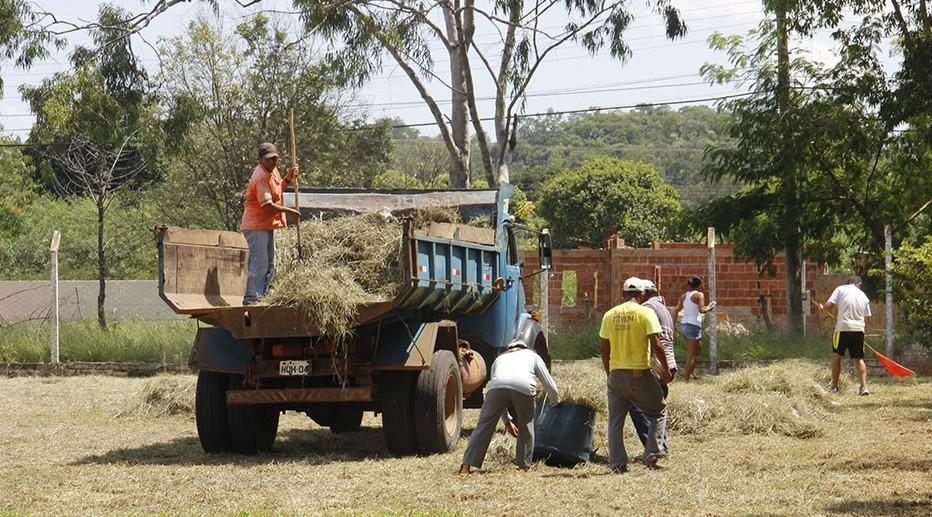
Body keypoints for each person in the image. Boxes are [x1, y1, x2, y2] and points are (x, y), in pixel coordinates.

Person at [600, 277, 672, 473]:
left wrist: (610, 372)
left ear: (623, 294)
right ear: (641, 294)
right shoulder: (645, 313)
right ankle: (651, 455)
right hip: (639, 373)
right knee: (659, 411)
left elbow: (604, 349)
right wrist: (666, 370)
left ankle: (617, 464)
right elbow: (657, 345)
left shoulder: (609, 315)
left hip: (616, 374)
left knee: (615, 421)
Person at [459, 340, 559, 474]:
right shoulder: (532, 356)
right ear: (525, 347)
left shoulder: (499, 359)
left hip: (496, 387)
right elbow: (549, 383)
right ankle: (523, 466)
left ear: (509, 349)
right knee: (526, 424)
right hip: (524, 386)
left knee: (484, 425)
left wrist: (507, 421)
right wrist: (555, 402)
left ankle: (466, 465)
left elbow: (498, 385)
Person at [241, 143, 300, 305]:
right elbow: (267, 205)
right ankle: (252, 300)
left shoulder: (272, 171)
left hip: (266, 225)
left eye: (274, 159)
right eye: (268, 159)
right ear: (260, 160)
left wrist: (288, 178)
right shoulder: (260, 176)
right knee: (259, 264)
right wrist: (290, 211)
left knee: (270, 264)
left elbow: (277, 190)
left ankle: (263, 297)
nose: (272, 162)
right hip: (255, 226)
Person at [629, 278, 676, 457]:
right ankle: (660, 449)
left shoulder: (648, 308)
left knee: (638, 407)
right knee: (657, 408)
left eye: (639, 293)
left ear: (645, 293)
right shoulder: (662, 307)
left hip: (656, 364)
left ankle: (654, 450)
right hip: (667, 364)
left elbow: (653, 342)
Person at [817, 275, 872, 395]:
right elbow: (867, 318)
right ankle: (864, 387)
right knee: (858, 359)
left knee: (836, 356)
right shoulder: (863, 295)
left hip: (842, 329)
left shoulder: (840, 289)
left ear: (848, 283)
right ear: (859, 284)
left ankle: (834, 388)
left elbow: (829, 306)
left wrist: (822, 309)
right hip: (858, 330)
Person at [672, 276, 716, 382]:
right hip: (693, 325)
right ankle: (686, 380)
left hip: (684, 325)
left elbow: (676, 310)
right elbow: (702, 310)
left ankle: (691, 373)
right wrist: (710, 307)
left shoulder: (684, 296)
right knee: (691, 354)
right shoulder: (699, 295)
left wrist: (673, 326)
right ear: (700, 284)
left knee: (697, 350)